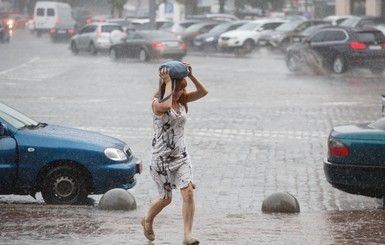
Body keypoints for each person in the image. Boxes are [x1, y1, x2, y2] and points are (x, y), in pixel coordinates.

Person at [141, 62, 208, 245]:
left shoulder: (182, 101)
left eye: (181, 90)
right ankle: (147, 219)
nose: (178, 93)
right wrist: (168, 82)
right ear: (166, 86)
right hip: (161, 160)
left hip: (181, 157)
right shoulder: (157, 104)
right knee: (166, 199)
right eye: (176, 89)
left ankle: (187, 235)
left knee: (188, 193)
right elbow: (167, 104)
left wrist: (192, 75)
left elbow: (203, 92)